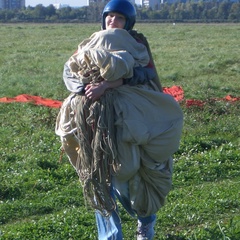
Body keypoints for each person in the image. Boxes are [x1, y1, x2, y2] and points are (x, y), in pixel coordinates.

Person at [55, 1, 183, 239]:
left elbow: (147, 74)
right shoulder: (90, 43)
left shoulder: (137, 44)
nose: (113, 21)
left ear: (128, 22)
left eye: (119, 18)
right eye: (110, 16)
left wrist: (110, 84)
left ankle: (145, 220)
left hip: (128, 118)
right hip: (93, 117)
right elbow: (69, 72)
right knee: (97, 176)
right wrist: (86, 89)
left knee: (127, 176)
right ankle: (111, 236)